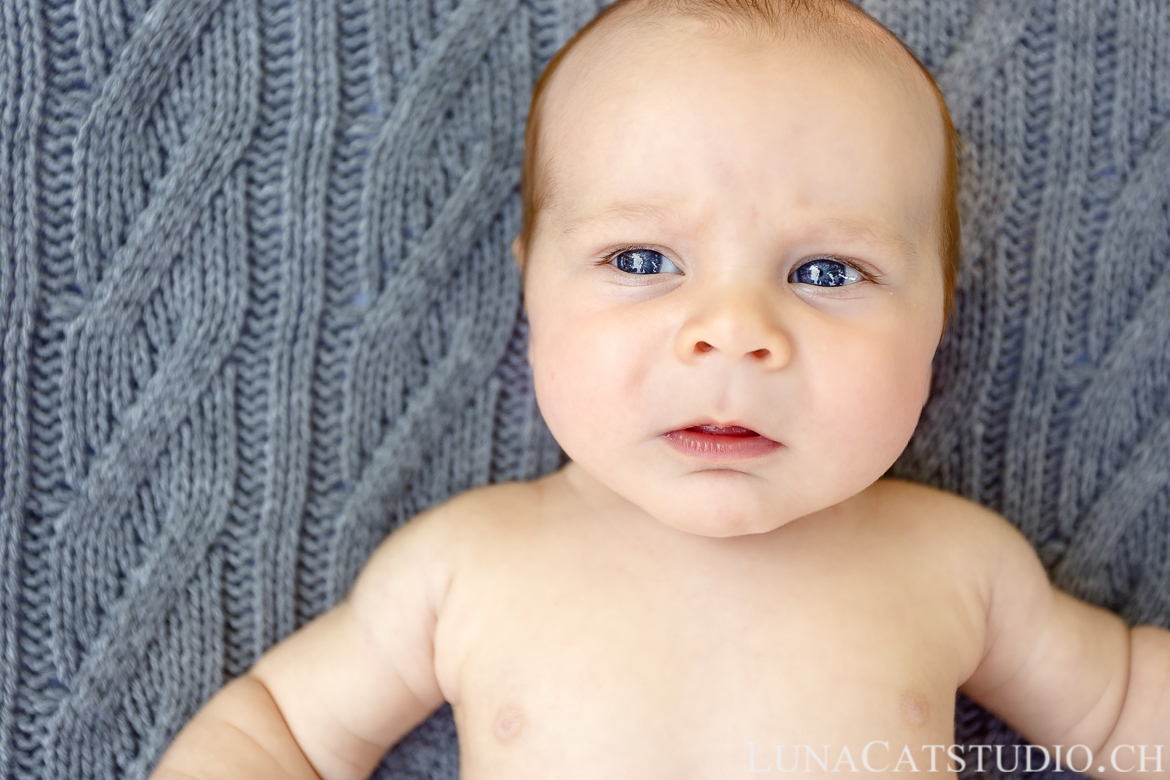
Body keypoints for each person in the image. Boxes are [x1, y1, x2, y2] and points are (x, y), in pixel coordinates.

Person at [149, 1, 1170, 777]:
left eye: (825, 273)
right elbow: (276, 733)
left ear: (939, 316)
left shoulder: (957, 565)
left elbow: (1124, 707)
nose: (731, 332)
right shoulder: (466, 566)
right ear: (533, 289)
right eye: (641, 260)